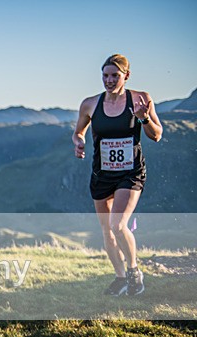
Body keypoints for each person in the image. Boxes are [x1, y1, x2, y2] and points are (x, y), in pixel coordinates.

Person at [72, 54, 162, 296]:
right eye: (105, 75)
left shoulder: (141, 99)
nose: (109, 80)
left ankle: (134, 271)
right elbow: (78, 131)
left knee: (118, 224)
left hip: (130, 173)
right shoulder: (90, 104)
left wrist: (143, 117)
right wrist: (78, 142)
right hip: (102, 173)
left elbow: (156, 135)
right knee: (107, 231)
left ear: (126, 76)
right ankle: (121, 278)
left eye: (115, 75)